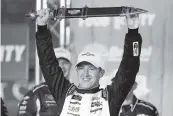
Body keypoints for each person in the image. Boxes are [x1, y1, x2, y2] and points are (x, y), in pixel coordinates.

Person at [35, 8, 142, 116]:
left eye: (91, 68)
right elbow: (47, 63)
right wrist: (42, 28)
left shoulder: (110, 97)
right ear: (76, 70)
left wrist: (133, 32)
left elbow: (130, 67)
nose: (85, 73)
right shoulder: (65, 93)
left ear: (101, 73)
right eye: (81, 68)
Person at [17, 48, 72, 116]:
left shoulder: (78, 93)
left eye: (65, 63)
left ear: (70, 66)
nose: (61, 66)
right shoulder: (36, 94)